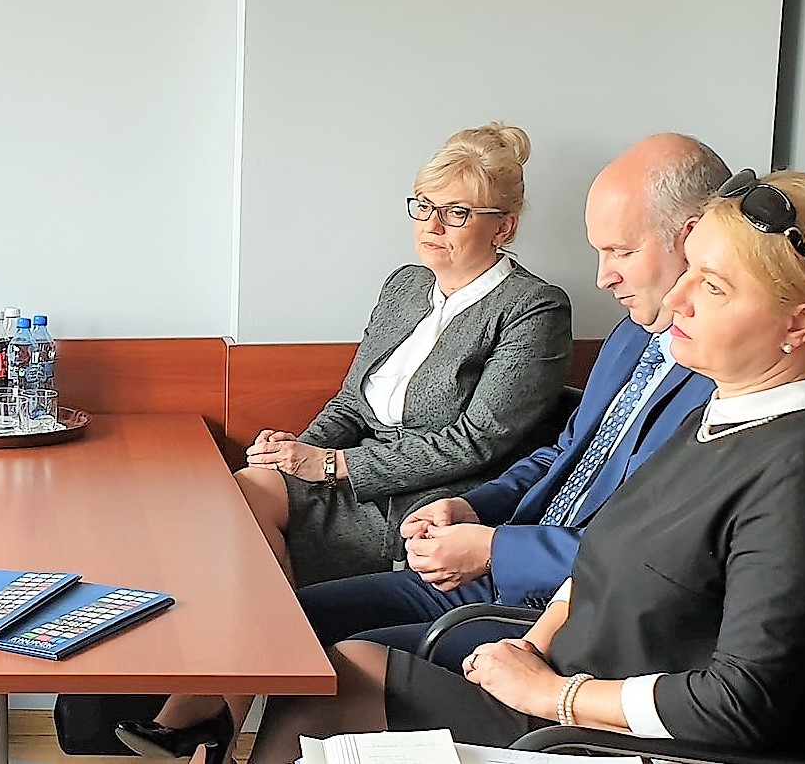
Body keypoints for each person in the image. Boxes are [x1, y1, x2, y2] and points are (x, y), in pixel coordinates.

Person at [244, 168, 805, 761]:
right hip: (563, 678)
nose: (678, 298)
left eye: (713, 286)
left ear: (800, 324)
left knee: (337, 684)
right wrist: (531, 644)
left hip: (610, 737)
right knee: (342, 668)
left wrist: (550, 693)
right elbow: (601, 555)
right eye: (689, 270)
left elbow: (737, 707)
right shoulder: (723, 417)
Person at [117, 123, 573, 761]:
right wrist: (294, 455)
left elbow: (478, 443)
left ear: (505, 227)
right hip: (356, 478)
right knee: (246, 491)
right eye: (423, 205)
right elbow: (354, 401)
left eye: (456, 212)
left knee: (254, 518)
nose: (431, 225)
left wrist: (331, 465)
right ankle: (212, 711)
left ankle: (206, 712)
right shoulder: (405, 286)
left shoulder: (534, 308)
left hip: (431, 503)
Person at [292, 134, 729, 672]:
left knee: (342, 666)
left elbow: (648, 551)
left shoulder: (723, 379)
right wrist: (475, 509)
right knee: (285, 619)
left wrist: (495, 548)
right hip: (498, 567)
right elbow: (565, 454)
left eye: (620, 252)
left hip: (571, 612)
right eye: (424, 207)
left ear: (692, 240)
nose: (602, 277)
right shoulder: (632, 335)